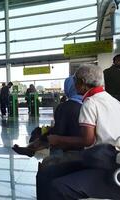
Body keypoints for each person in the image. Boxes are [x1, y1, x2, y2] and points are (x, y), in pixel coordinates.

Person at [36, 64, 120, 200]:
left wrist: (57, 140)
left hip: (103, 163)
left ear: (82, 83)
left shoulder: (90, 103)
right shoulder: (114, 101)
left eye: (75, 81)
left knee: (56, 183)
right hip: (112, 158)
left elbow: (88, 140)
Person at [13, 76, 83, 159]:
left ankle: (32, 148)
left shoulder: (65, 107)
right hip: (91, 148)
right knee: (47, 132)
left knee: (47, 135)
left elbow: (58, 132)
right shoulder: (88, 102)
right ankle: (33, 148)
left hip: (73, 150)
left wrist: (44, 136)